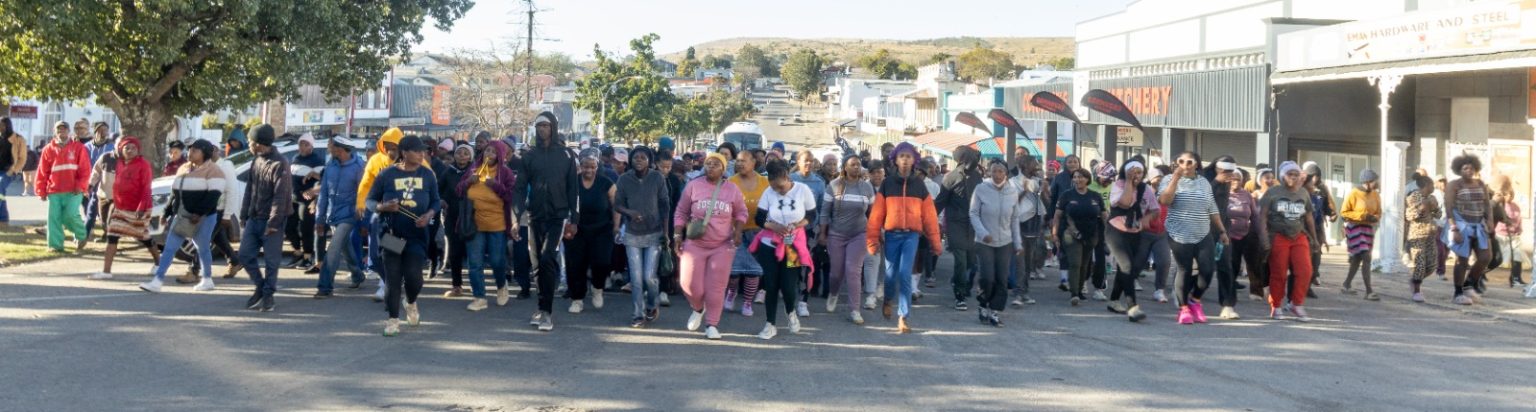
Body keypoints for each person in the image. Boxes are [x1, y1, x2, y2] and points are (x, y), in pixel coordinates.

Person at [511, 111, 580, 332]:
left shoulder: (567, 155)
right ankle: (541, 307)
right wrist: (515, 217)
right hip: (534, 216)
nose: (542, 129)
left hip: (558, 217)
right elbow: (519, 189)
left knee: (548, 256)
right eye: (538, 126)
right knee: (537, 264)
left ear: (553, 127)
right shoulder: (529, 156)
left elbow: (573, 189)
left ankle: (548, 312)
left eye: (546, 125)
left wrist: (574, 218)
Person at [366, 136, 440, 337]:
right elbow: (370, 201)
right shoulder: (387, 175)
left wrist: (429, 215)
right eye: (417, 151)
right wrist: (383, 207)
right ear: (404, 152)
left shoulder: (428, 175)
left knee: (414, 278)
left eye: (423, 151)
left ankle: (411, 301)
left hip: (416, 235)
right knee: (393, 279)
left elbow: (436, 201)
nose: (421, 154)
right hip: (391, 234)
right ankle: (392, 320)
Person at [867, 142, 942, 334]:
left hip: (912, 236)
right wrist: (872, 240)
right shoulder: (887, 183)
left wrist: (935, 241)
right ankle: (887, 299)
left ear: (914, 160)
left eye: (909, 157)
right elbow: (876, 215)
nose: (906, 160)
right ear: (896, 160)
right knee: (891, 276)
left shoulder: (919, 185)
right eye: (902, 156)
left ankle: (903, 316)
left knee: (905, 274)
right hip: (891, 235)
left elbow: (930, 216)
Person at [675, 153, 746, 340]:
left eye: (716, 164)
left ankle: (712, 324)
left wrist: (738, 232)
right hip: (695, 244)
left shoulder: (732, 189)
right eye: (708, 164)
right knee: (688, 284)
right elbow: (681, 212)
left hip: (722, 245)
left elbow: (741, 213)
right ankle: (698, 309)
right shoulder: (693, 186)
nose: (711, 167)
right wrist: (676, 234)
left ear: (723, 169)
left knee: (715, 287)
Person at [138, 140, 224, 293]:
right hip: (182, 216)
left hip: (204, 218)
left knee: (202, 247)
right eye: (190, 150)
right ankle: (157, 280)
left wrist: (199, 213)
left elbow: (213, 196)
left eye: (195, 151)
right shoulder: (183, 168)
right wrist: (167, 212)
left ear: (205, 153)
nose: (190, 153)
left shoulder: (214, 171)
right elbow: (175, 193)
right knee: (169, 248)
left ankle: (207, 279)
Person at [1158, 152, 1230, 325]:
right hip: (1179, 233)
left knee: (1207, 269)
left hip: (1202, 232)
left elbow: (1212, 208)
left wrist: (1222, 231)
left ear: (1196, 164)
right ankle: (1183, 309)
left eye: (1189, 162)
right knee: (1185, 269)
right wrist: (1175, 179)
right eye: (1181, 161)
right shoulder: (1168, 179)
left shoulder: (1203, 182)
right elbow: (1165, 201)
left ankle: (1195, 300)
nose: (1185, 165)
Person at [749, 159, 817, 340]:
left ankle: (791, 311)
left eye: (780, 187)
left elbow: (811, 215)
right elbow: (759, 219)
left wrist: (798, 224)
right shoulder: (768, 192)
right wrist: (774, 226)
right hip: (770, 244)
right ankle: (770, 324)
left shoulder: (803, 190)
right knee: (770, 285)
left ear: (787, 177)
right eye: (774, 188)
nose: (777, 191)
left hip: (792, 244)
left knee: (788, 286)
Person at [238, 125, 293, 312]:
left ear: (260, 144)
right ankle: (260, 286)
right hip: (254, 218)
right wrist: (244, 214)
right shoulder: (256, 161)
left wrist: (273, 222)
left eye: (251, 142)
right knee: (244, 255)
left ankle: (268, 295)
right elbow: (249, 190)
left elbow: (281, 196)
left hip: (271, 222)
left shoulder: (280, 164)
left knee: (271, 261)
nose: (249, 145)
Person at [459, 140, 519, 311]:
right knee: (475, 263)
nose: (489, 154)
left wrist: (494, 185)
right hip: (474, 224)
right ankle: (479, 297)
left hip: (497, 224)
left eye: (493, 152)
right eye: (487, 151)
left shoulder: (506, 173)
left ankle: (501, 286)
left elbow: (511, 196)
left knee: (497, 261)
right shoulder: (472, 169)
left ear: (500, 154)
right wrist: (468, 182)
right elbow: (459, 191)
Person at [614, 146, 670, 327]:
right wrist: (630, 212)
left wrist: (666, 233)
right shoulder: (624, 179)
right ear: (630, 160)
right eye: (635, 157)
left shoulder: (657, 178)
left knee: (649, 277)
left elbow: (665, 206)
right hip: (632, 234)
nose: (638, 160)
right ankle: (637, 314)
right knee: (636, 279)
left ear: (649, 160)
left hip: (654, 233)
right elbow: (618, 204)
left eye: (643, 157)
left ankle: (652, 305)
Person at [1257, 161, 1317, 321]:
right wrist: (1263, 237)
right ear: (1283, 176)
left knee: (1305, 271)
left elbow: (1309, 216)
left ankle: (1296, 304)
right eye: (1290, 174)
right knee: (1279, 272)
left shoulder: (1303, 193)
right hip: (1278, 235)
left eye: (1296, 174)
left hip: (1299, 235)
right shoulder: (1273, 192)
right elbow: (1262, 216)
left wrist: (1315, 238)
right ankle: (1276, 305)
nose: (1294, 177)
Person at [93, 136, 158, 280]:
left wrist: (141, 207)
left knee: (144, 237)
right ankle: (106, 271)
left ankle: (159, 264)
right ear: (120, 149)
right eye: (126, 148)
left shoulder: (143, 165)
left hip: (138, 209)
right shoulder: (120, 163)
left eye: (133, 148)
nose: (130, 150)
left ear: (138, 150)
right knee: (112, 236)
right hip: (120, 207)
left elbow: (146, 188)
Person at [819, 155, 874, 324]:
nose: (856, 167)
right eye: (853, 165)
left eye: (858, 164)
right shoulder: (834, 186)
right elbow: (825, 212)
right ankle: (833, 293)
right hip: (837, 234)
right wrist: (822, 233)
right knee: (836, 273)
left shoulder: (866, 188)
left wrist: (875, 232)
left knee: (853, 270)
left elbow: (873, 213)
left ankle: (855, 310)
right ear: (845, 167)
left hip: (859, 234)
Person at [357, 128, 409, 302]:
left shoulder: (413, 161)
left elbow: (428, 183)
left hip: (403, 215)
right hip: (380, 212)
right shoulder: (375, 161)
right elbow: (365, 185)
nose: (390, 151)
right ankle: (390, 282)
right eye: (387, 147)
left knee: (393, 252)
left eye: (394, 147)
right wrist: (360, 203)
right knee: (374, 256)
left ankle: (389, 285)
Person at [969, 159, 1022, 327]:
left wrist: (1017, 242)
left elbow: (1015, 219)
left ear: (1006, 173)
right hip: (985, 241)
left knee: (1002, 278)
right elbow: (973, 213)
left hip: (1005, 241)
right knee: (988, 277)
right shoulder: (981, 189)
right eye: (994, 171)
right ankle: (983, 304)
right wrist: (983, 233)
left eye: (1001, 171)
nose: (998, 175)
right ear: (989, 172)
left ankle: (995, 311)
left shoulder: (1012, 192)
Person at [1103, 160, 1157, 322]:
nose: (1136, 176)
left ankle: (1113, 300)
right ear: (1125, 173)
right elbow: (1125, 203)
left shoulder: (1146, 189)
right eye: (1132, 172)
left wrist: (1147, 218)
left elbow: (1155, 209)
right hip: (1116, 230)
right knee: (1126, 265)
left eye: (1139, 173)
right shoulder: (1119, 185)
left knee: (1129, 269)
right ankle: (1132, 307)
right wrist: (1128, 181)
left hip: (1135, 231)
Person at [314, 137, 367, 298]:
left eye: (333, 147)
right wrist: (320, 218)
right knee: (345, 247)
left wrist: (363, 221)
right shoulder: (331, 166)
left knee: (334, 247)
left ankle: (325, 287)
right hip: (332, 214)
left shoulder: (359, 167)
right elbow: (323, 194)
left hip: (349, 215)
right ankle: (357, 275)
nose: (329, 148)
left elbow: (363, 195)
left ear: (341, 149)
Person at [1049, 168, 1104, 307]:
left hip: (1091, 234)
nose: (1078, 180)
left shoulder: (1095, 196)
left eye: (1081, 177)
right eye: (1075, 177)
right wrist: (1054, 234)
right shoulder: (1067, 195)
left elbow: (1104, 215)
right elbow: (1057, 216)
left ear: (1087, 179)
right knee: (1075, 262)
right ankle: (1074, 293)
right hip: (1070, 234)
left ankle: (1079, 291)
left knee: (1085, 264)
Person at [937, 145, 983, 311]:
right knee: (961, 260)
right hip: (956, 224)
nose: (976, 160)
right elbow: (940, 201)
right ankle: (960, 295)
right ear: (963, 159)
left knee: (971, 261)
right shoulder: (951, 177)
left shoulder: (978, 176)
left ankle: (959, 280)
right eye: (972, 157)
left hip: (973, 225)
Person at [36, 121, 91, 252]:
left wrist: (81, 185)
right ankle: (55, 246)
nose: (62, 132)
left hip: (74, 190)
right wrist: (41, 190)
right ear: (55, 132)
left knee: (70, 215)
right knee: (54, 218)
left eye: (64, 130)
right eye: (59, 130)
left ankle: (81, 235)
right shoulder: (48, 149)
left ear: (68, 131)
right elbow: (43, 172)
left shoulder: (78, 148)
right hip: (54, 190)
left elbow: (85, 170)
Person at [1445, 154, 1493, 305]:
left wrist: (1490, 220)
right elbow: (1449, 207)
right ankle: (1458, 293)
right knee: (1462, 260)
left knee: (1486, 257)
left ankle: (1469, 284)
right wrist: (1454, 228)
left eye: (1471, 168)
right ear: (1459, 170)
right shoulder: (1454, 185)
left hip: (1479, 225)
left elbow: (1487, 205)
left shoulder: (1480, 184)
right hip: (1461, 225)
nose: (1469, 170)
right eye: (1465, 168)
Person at [725, 150, 768, 315]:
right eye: (738, 161)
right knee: (735, 270)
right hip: (736, 231)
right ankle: (731, 294)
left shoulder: (765, 182)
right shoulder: (730, 182)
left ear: (753, 163)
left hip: (758, 232)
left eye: (744, 161)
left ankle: (748, 303)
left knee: (755, 269)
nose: (740, 164)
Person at [790, 150, 827, 317]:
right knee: (792, 264)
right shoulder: (791, 180)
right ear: (798, 162)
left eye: (811, 161)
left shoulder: (819, 183)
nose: (809, 164)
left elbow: (821, 209)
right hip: (791, 231)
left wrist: (821, 231)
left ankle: (803, 301)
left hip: (810, 231)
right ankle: (790, 296)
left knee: (807, 265)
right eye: (805, 161)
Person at [1202, 156, 1241, 311]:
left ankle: (1228, 304)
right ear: (1216, 168)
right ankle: (1189, 296)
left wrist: (1224, 230)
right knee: (1204, 268)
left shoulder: (1229, 182)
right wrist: (1217, 181)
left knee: (1226, 266)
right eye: (1225, 171)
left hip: (1222, 229)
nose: (1228, 174)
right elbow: (1202, 198)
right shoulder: (1205, 177)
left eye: (1231, 172)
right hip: (1202, 228)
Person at [1339, 169, 1383, 300]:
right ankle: (1369, 291)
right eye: (1375, 181)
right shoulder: (1354, 194)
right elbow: (1344, 212)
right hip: (1355, 228)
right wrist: (1362, 215)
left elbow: (1379, 211)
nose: (1377, 183)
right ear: (1368, 182)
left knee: (1358, 258)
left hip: (1368, 229)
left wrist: (1375, 217)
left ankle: (1346, 284)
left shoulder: (1375, 195)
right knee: (1366, 256)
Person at [438, 143, 474, 297]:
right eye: (459, 153)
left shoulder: (476, 172)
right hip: (452, 216)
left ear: (471, 156)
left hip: (472, 217)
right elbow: (438, 191)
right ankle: (457, 285)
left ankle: (477, 285)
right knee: (454, 251)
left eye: (466, 153)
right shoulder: (448, 172)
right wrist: (442, 201)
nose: (462, 156)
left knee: (473, 252)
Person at [285, 133, 325, 270]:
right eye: (301, 144)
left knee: (305, 229)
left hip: (308, 200)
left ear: (311, 146)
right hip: (294, 198)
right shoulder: (295, 158)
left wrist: (314, 175)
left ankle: (308, 258)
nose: (302, 147)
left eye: (305, 144)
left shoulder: (317, 160)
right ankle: (297, 252)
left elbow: (323, 180)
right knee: (288, 227)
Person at [1229, 169, 1268, 305]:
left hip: (1247, 233)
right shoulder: (1222, 194)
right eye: (1232, 178)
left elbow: (1255, 216)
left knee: (1253, 263)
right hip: (1229, 235)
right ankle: (1229, 289)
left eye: (1237, 179)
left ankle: (1256, 291)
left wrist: (1261, 234)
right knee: (1232, 264)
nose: (1235, 181)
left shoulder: (1247, 195)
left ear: (1242, 181)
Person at [1405, 174, 1442, 302]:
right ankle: (1416, 290)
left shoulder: (1432, 197)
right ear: (1426, 185)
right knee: (1420, 264)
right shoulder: (1413, 197)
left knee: (1432, 265)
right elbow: (1409, 216)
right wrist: (1422, 208)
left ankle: (1415, 280)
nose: (1434, 187)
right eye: (1432, 185)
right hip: (1417, 236)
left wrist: (1434, 207)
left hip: (1430, 236)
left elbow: (1439, 215)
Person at [860, 160, 888, 310]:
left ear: (884, 172)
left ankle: (881, 285)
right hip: (870, 230)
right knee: (871, 260)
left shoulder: (891, 186)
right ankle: (870, 295)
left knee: (887, 263)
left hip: (890, 229)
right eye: (874, 172)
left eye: (880, 171)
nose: (877, 175)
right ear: (868, 174)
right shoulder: (864, 187)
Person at [1144, 165, 1174, 303]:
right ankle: (1129, 284)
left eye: (1162, 177)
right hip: (1144, 233)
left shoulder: (1166, 193)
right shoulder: (1144, 192)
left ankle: (1159, 290)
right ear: (1150, 179)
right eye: (1157, 177)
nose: (1160, 180)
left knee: (1164, 261)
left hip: (1161, 233)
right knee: (1137, 263)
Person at [81, 122, 115, 240]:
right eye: (101, 130)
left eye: (106, 130)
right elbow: (82, 165)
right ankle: (86, 233)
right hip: (89, 182)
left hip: (105, 184)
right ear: (95, 132)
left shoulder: (112, 147)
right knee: (89, 210)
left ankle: (105, 233)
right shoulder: (86, 147)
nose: (104, 133)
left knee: (102, 212)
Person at [1491, 177, 1527, 288]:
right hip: (1501, 236)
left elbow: (1519, 219)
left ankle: (1515, 278)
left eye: (1511, 194)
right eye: (1507, 194)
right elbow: (1500, 219)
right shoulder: (1500, 205)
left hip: (1513, 236)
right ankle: (1480, 275)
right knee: (1495, 258)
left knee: (1518, 255)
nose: (1509, 196)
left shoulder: (1516, 206)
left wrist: (1519, 229)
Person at [0, 117, 25, 223]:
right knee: (1, 191)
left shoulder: (18, 139)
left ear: (6, 125)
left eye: (1, 125)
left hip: (10, 170)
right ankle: (3, 218)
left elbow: (22, 158)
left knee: (0, 185)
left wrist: (14, 170)